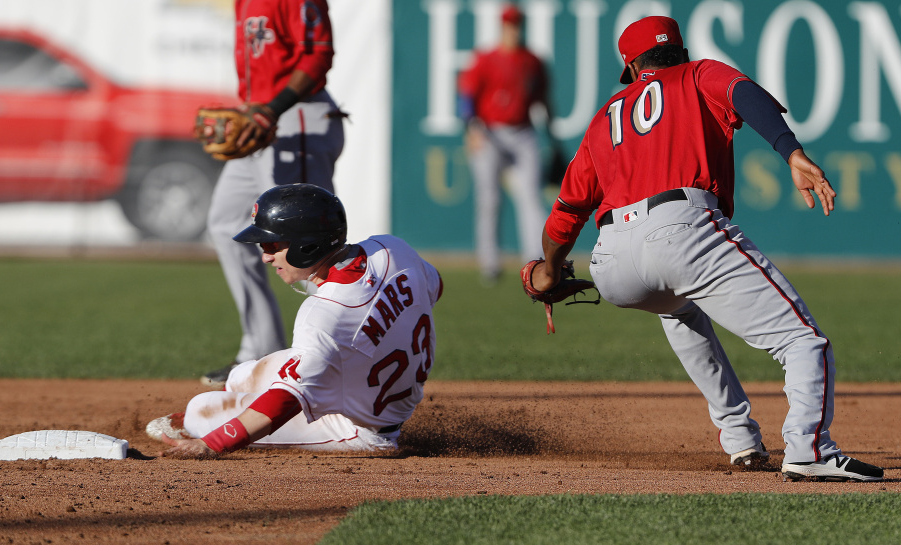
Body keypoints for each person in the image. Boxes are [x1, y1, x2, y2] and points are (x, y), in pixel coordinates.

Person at [528, 16, 883, 482]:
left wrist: (549, 271)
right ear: (680, 51)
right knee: (802, 340)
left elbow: (567, 212)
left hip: (611, 259)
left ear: (633, 67)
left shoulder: (604, 118)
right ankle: (808, 448)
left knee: (678, 308)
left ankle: (739, 440)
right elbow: (745, 96)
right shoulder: (698, 74)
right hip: (680, 228)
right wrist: (791, 152)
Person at [148, 184, 443, 455]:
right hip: (370, 386)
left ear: (308, 246)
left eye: (272, 245)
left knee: (201, 411)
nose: (265, 256)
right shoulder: (392, 248)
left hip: (361, 431)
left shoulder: (323, 313)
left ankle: (202, 421)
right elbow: (435, 287)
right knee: (242, 376)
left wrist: (210, 444)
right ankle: (232, 404)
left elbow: (284, 401)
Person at [201, 0, 346, 386]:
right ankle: (261, 353)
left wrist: (272, 108)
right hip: (258, 121)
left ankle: (337, 353)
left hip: (297, 116)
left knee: (309, 240)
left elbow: (318, 57)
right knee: (226, 225)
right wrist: (255, 111)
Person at [457, 3, 552, 285]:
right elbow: (466, 96)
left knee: (531, 198)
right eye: (510, 24)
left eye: (517, 24)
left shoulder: (532, 60)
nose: (514, 29)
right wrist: (471, 129)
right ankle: (490, 263)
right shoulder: (486, 58)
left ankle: (536, 260)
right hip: (489, 132)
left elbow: (544, 99)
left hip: (522, 131)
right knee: (489, 199)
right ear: (502, 27)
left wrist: (553, 135)